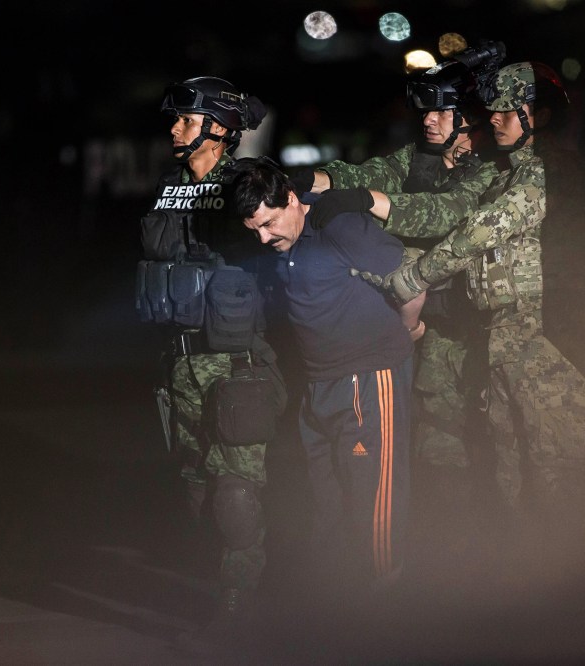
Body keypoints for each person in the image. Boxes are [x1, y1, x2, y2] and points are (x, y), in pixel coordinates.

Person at [355, 62, 585, 528]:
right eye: (494, 109)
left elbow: (478, 231)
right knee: (510, 470)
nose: (495, 118)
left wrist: (411, 280)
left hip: (544, 338)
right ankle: (522, 576)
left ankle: (573, 580)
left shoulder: (548, 171)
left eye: (510, 110)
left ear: (539, 116)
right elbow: (446, 211)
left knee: (554, 470)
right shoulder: (501, 173)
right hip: (504, 339)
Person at [289, 39, 506, 532]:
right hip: (419, 328)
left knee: (487, 441)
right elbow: (364, 173)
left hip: (476, 331)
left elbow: (443, 215)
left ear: (469, 117)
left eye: (440, 111)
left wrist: (367, 200)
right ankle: (440, 550)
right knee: (429, 448)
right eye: (424, 110)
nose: (428, 120)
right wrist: (309, 179)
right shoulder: (419, 157)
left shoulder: (489, 167)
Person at [135, 76, 285, 649]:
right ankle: (213, 598)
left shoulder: (246, 183)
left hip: (236, 365)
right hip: (181, 366)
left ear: (219, 128)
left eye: (188, 119)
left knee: (237, 495)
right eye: (175, 119)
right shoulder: (168, 185)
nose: (175, 129)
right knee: (198, 491)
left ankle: (239, 612)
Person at [228, 156, 416, 601]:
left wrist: (408, 331)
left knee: (376, 500)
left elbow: (412, 278)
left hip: (367, 378)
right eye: (253, 229)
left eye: (270, 223)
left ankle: (387, 609)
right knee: (326, 498)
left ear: (293, 199)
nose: (264, 237)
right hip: (318, 386)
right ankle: (336, 609)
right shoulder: (279, 241)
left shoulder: (338, 225)